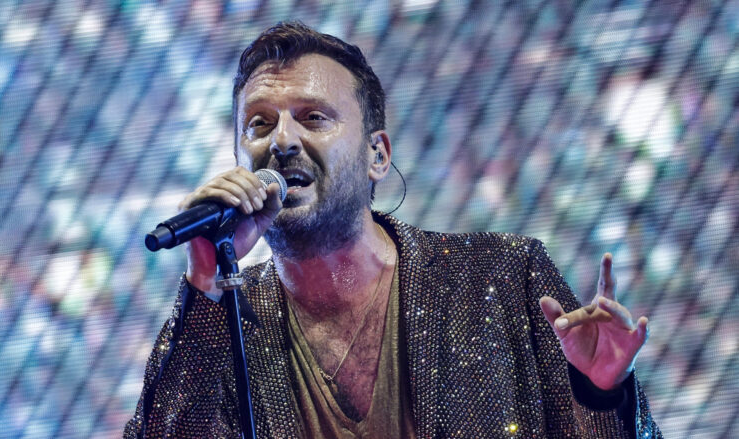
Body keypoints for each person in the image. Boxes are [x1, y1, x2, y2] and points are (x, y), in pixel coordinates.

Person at [125, 22, 662, 438]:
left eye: (313, 118)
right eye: (258, 124)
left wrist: (603, 393)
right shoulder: (222, 324)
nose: (281, 140)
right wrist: (205, 283)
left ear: (377, 156)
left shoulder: (502, 279)